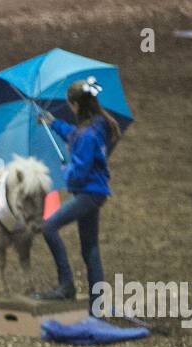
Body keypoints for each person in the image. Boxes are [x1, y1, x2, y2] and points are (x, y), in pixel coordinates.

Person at [33, 78, 124, 314]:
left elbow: (79, 172)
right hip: (96, 192)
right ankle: (97, 302)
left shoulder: (87, 134)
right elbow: (74, 134)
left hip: (88, 193)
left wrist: (67, 171)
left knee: (49, 227)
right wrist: (53, 124)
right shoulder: (97, 126)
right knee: (90, 247)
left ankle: (66, 285)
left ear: (75, 104)